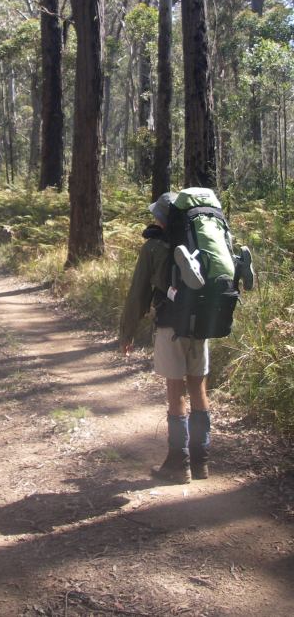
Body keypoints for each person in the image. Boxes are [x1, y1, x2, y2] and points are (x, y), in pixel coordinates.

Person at [119, 191, 211, 485]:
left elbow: (138, 293)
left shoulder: (153, 247)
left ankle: (178, 462)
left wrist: (127, 332)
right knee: (198, 388)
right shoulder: (201, 242)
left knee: (176, 391)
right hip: (202, 325)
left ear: (160, 218)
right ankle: (201, 461)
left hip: (171, 326)